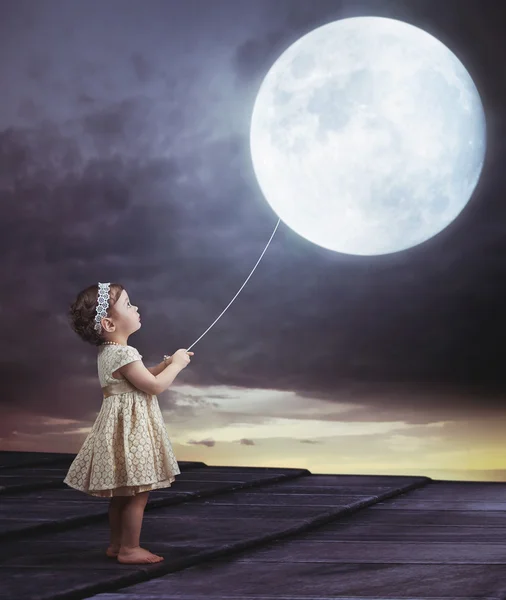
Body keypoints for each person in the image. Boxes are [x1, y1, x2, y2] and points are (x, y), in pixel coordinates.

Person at [64, 282, 193, 564]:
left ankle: (115, 544)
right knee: (137, 493)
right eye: (128, 304)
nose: (135, 308)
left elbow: (138, 377)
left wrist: (163, 363)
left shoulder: (110, 353)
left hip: (116, 428)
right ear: (109, 323)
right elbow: (154, 386)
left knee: (122, 493)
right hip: (132, 431)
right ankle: (130, 549)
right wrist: (177, 365)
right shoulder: (124, 353)